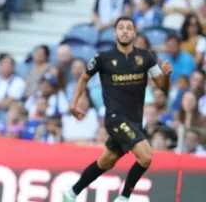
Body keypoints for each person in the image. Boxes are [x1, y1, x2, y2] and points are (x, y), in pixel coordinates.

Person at [63, 16, 173, 202]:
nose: (124, 31)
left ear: (134, 33)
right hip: (115, 119)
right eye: (121, 28)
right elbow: (83, 78)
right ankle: (123, 198)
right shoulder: (103, 58)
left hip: (135, 121)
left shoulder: (146, 57)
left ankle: (71, 193)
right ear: (115, 32)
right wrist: (73, 104)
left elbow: (161, 86)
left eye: (129, 28)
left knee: (106, 162)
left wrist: (167, 75)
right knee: (146, 156)